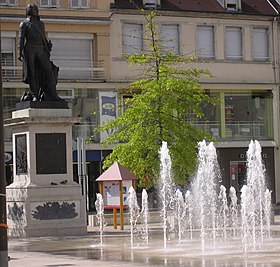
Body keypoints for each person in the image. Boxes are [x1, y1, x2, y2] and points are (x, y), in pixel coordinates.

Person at [18, 4, 62, 101]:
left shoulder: (41, 24)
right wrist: (19, 52)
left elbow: (43, 37)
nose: (31, 10)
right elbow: (21, 39)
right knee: (32, 73)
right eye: (29, 9)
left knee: (48, 71)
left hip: (41, 49)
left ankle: (53, 94)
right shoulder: (24, 24)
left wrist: (48, 46)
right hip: (30, 48)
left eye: (33, 9)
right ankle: (35, 95)